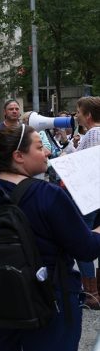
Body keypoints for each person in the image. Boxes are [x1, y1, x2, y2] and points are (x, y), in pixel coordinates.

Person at [0, 124, 100, 351]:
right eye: (39, 146)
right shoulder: (48, 195)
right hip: (51, 299)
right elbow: (87, 248)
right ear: (18, 156)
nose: (47, 151)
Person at [72, 96, 100, 309]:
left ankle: (91, 293)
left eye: (79, 111)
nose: (76, 115)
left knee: (82, 242)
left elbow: (78, 164)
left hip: (91, 197)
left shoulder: (92, 133)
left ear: (88, 115)